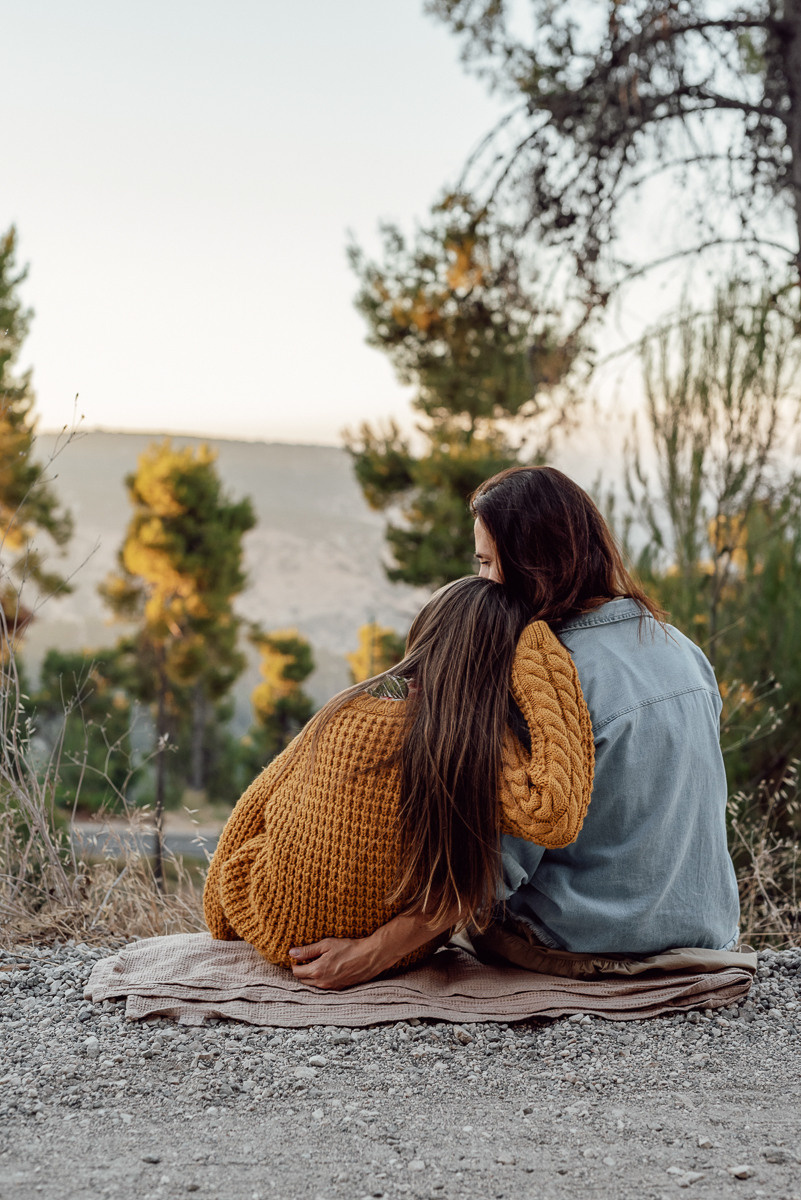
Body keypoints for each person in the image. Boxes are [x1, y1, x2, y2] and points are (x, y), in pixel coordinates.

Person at [290, 466, 741, 988]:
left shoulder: (546, 682)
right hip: (706, 937)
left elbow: (483, 873)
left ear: (532, 566)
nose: (481, 582)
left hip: (588, 943)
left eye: (486, 562)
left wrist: (368, 954)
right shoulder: (681, 647)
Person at [204, 575, 595, 972]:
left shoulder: (347, 704)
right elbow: (553, 816)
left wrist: (220, 923)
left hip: (273, 927)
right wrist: (542, 657)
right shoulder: (475, 745)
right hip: (391, 950)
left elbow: (253, 806)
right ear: (503, 661)